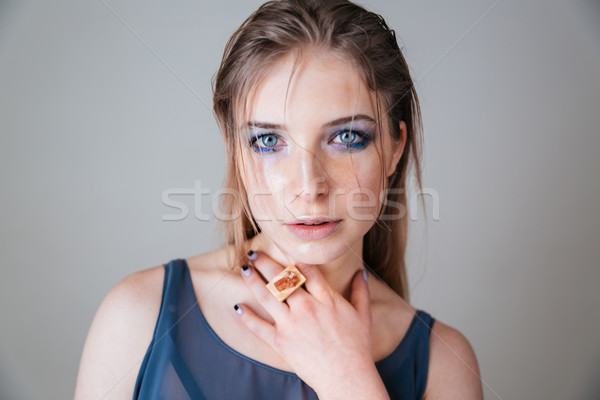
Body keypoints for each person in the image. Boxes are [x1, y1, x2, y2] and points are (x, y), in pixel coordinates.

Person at [74, 0, 483, 398]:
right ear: (235, 148)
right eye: (268, 140)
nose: (309, 186)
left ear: (396, 147)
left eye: (347, 137)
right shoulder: (137, 315)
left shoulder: (444, 362)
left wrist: (349, 381)